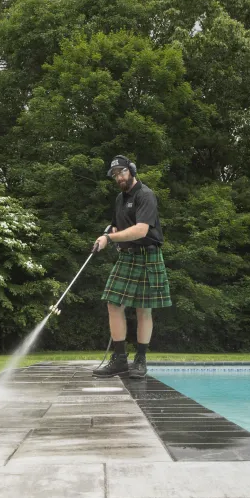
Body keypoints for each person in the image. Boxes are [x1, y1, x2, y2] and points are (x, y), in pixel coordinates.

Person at [92, 155, 172, 379]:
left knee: (143, 309)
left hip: (148, 256)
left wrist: (109, 238)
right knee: (113, 303)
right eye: (115, 175)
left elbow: (140, 230)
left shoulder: (145, 195)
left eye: (122, 172)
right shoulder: (119, 198)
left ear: (132, 170)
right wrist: (108, 235)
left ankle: (140, 359)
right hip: (127, 256)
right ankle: (119, 360)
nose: (119, 177)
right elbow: (117, 226)